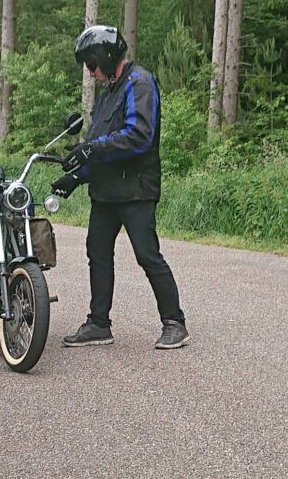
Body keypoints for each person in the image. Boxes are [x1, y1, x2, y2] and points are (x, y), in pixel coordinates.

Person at [54, 25, 188, 351]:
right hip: (105, 191)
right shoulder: (106, 95)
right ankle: (99, 323)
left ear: (105, 55)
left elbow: (139, 135)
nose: (90, 72)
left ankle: (174, 323)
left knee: (147, 255)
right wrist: (77, 175)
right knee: (97, 252)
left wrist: (93, 149)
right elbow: (98, 146)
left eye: (91, 64)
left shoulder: (139, 83)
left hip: (136, 189)